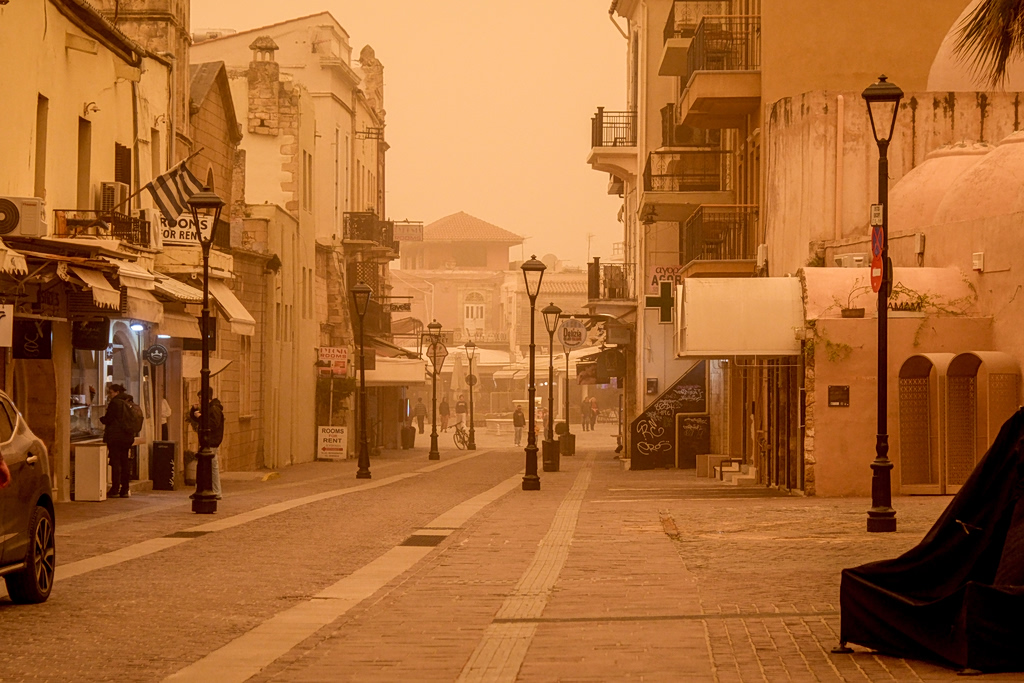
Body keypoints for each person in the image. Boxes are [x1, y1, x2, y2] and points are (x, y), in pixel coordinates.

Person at [99, 383, 135, 498]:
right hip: (127, 436)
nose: (110, 395)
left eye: (111, 392)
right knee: (124, 462)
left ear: (117, 392)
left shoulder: (115, 403)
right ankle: (125, 489)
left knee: (115, 463)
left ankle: (115, 489)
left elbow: (108, 419)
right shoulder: (129, 401)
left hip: (115, 437)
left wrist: (101, 419)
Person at [187, 388, 223, 499]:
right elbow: (199, 420)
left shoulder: (214, 409)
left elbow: (212, 424)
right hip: (207, 442)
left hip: (211, 442)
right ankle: (201, 489)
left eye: (201, 397)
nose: (199, 400)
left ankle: (216, 491)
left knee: (212, 467)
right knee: (204, 466)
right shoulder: (208, 409)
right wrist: (194, 411)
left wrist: (200, 417)